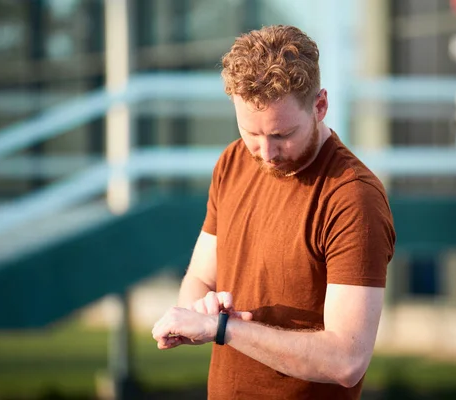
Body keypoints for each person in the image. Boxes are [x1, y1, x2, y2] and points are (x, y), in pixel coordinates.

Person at [152, 25, 396, 400]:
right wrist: (202, 309)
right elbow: (200, 278)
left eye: (282, 135)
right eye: (251, 133)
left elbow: (346, 361)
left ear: (320, 106)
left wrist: (224, 329)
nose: (266, 153)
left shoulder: (352, 198)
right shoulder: (232, 162)